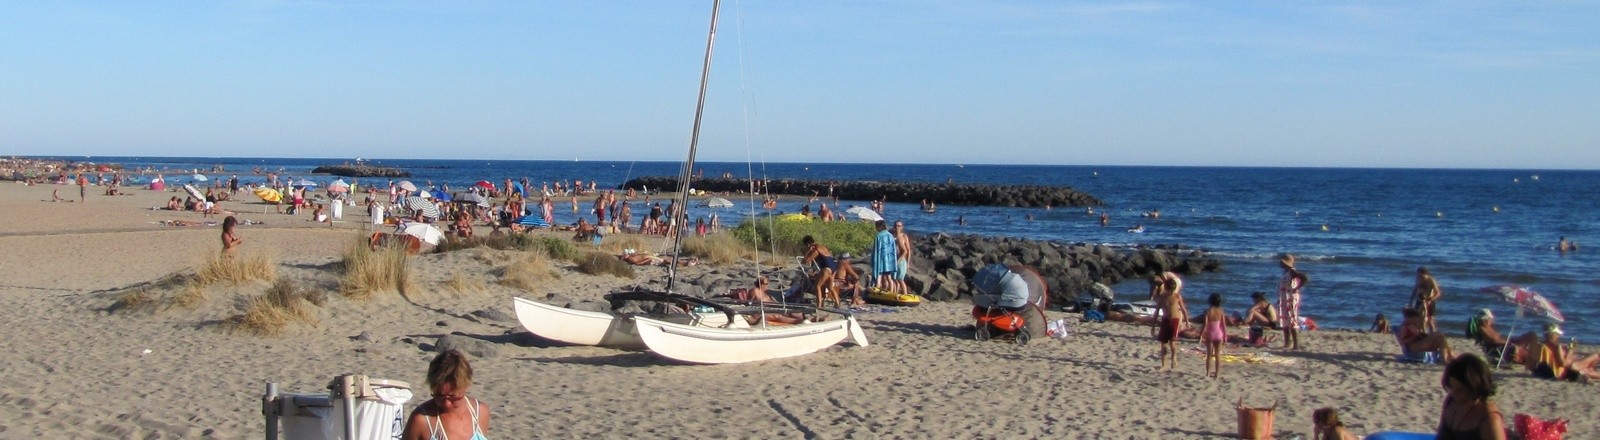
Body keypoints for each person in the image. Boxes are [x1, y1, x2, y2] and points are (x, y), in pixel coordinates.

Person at [402, 350, 491, 440]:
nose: (446, 403)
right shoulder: (421, 420)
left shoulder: (480, 413)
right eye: (439, 395)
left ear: (466, 386)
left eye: (453, 397)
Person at [1435, 353, 1505, 440]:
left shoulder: (1489, 418)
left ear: (1475, 387)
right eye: (1451, 387)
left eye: (1460, 390)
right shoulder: (1451, 401)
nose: (1453, 393)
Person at [1150, 272, 1186, 372]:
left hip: (1173, 321)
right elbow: (1156, 312)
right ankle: (1164, 364)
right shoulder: (1164, 297)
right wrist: (1153, 325)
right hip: (1167, 321)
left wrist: (1186, 321)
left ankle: (1172, 358)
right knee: (1165, 344)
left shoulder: (1176, 296)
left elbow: (1183, 309)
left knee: (1171, 343)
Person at [1277, 254, 1309, 350]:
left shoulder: (1292, 271)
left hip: (1290, 298)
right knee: (1285, 320)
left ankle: (1296, 345)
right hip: (1284, 298)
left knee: (1292, 320)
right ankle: (1287, 343)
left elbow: (1305, 278)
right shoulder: (1286, 272)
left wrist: (1296, 288)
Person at [801, 235, 840, 308]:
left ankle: (818, 305)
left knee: (817, 286)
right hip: (833, 267)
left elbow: (805, 261)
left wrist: (808, 251)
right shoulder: (822, 247)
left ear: (808, 244)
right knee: (830, 287)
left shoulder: (815, 251)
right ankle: (837, 303)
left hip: (826, 268)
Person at [1201, 293, 1226, 379]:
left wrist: (1201, 335)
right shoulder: (1221, 311)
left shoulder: (1208, 311)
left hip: (1210, 334)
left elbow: (1205, 324)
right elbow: (1223, 325)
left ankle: (1208, 373)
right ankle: (1217, 374)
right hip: (1219, 334)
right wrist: (1225, 335)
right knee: (1218, 355)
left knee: (1209, 355)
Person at [1411, 266, 1443, 333]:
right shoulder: (1418, 279)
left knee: (1430, 320)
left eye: (1420, 274)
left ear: (1425, 274)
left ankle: (1432, 334)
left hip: (1429, 301)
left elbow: (1438, 293)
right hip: (1420, 300)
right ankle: (1421, 333)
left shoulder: (1431, 280)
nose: (1419, 276)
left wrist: (1430, 300)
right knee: (1418, 318)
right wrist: (1411, 300)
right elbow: (1415, 289)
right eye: (1418, 274)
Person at [871, 220, 897, 293]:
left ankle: (876, 293)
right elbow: (893, 249)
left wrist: (873, 259)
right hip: (890, 259)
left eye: (876, 227)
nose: (876, 228)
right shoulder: (890, 235)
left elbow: (876, 250)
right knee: (889, 278)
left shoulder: (878, 236)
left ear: (879, 227)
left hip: (881, 259)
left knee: (878, 276)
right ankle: (891, 292)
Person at [892, 220, 912, 295]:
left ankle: (905, 294)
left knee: (900, 279)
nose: (897, 227)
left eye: (899, 226)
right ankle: (895, 293)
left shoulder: (904, 236)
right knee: (894, 279)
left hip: (901, 260)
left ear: (902, 227)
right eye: (896, 226)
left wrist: (908, 262)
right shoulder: (892, 236)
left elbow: (907, 250)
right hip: (893, 259)